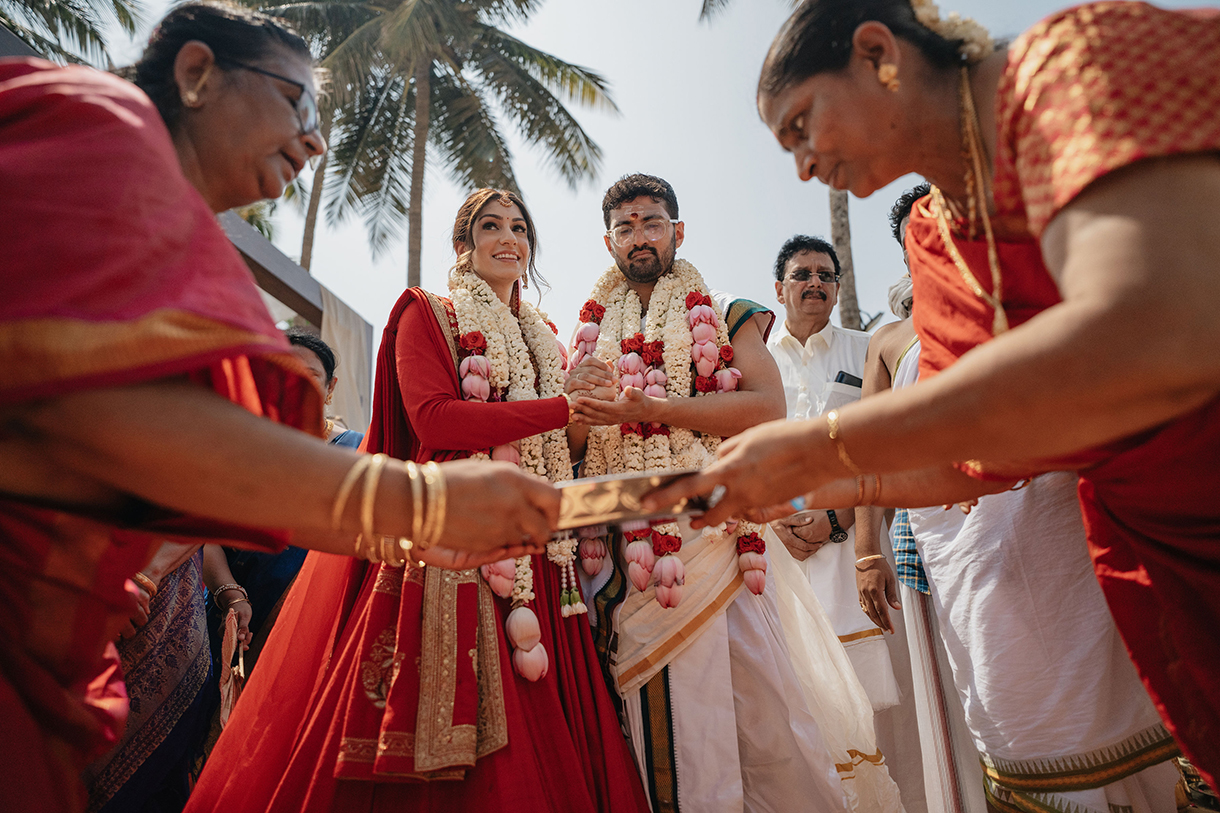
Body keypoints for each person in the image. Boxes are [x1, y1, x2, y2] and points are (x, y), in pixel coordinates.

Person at [0, 5, 561, 811]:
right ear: (197, 75)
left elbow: (225, 481)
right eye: (297, 103)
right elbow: (120, 421)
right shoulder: (101, 131)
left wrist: (421, 526)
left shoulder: (165, 221)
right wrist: (422, 502)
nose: (314, 140)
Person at [650, 0, 1220, 791]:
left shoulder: (1068, 65)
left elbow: (1151, 332)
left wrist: (821, 447)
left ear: (878, 52)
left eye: (802, 124)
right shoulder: (932, 233)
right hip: (1164, 556)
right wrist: (800, 484)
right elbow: (979, 459)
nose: (803, 167)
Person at [187, 188, 650, 813]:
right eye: (490, 226)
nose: (508, 237)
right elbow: (435, 421)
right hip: (449, 538)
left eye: (519, 227)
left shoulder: (544, 338)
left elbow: (555, 439)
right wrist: (561, 405)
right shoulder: (426, 313)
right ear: (463, 245)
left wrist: (588, 405)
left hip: (536, 549)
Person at [570, 173, 904, 812]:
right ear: (608, 241)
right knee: (641, 711)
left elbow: (765, 408)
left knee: (756, 712)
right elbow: (578, 446)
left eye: (653, 223)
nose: (640, 238)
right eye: (625, 227)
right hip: (619, 544)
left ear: (678, 230)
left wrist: (659, 409)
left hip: (714, 537)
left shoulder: (724, 311)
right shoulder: (587, 330)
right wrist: (582, 417)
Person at [765, 234, 925, 811]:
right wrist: (773, 526)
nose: (814, 283)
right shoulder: (752, 361)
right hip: (778, 557)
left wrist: (837, 519)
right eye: (802, 273)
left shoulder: (869, 349)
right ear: (778, 287)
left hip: (861, 546)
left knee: (886, 703)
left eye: (825, 276)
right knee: (799, 697)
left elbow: (889, 451)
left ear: (837, 288)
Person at [854, 183, 987, 813]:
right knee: (953, 686)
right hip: (931, 542)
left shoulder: (1006, 302)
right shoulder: (890, 340)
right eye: (919, 231)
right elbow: (866, 457)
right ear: (907, 250)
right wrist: (865, 554)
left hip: (1028, 520)